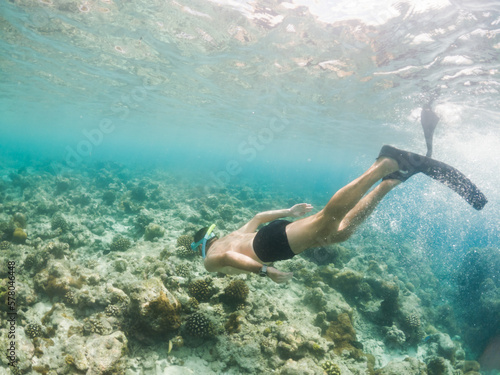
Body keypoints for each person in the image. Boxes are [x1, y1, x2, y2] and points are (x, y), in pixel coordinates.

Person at [191, 145, 487, 283]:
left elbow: (231, 259)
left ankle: (386, 163)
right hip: (270, 238)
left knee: (325, 221)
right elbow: (257, 218)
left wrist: (267, 271)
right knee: (340, 233)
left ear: (200, 247)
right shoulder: (228, 237)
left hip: (269, 247)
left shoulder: (209, 260)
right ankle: (392, 180)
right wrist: (289, 211)